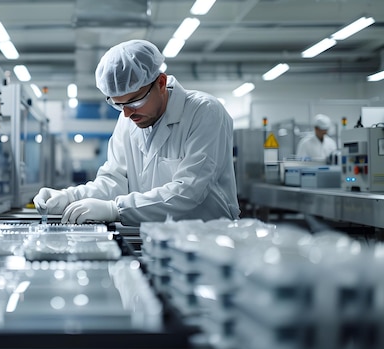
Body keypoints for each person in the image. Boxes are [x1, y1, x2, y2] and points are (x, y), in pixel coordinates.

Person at [33, 39, 240, 226]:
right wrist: (69, 196)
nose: (126, 113)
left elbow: (189, 190)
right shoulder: (129, 120)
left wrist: (115, 209)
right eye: (117, 104)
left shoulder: (204, 112)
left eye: (135, 101)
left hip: (210, 242)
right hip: (158, 240)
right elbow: (114, 180)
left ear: (161, 83)